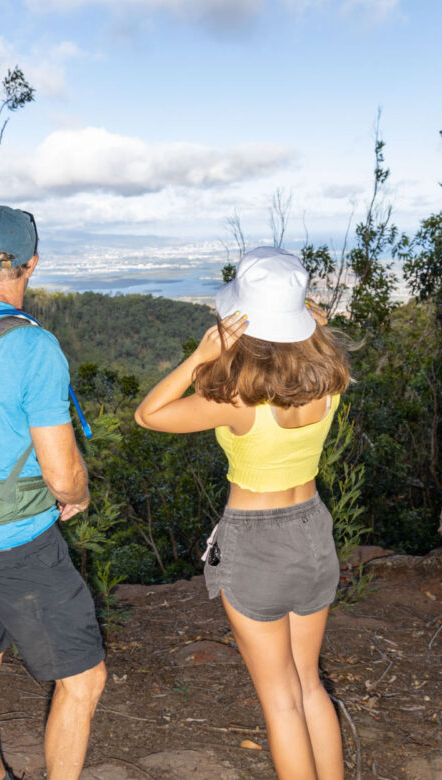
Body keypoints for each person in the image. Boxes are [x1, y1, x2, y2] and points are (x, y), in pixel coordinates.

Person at [134, 246, 349, 780]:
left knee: (280, 701)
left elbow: (148, 415)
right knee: (309, 685)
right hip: (313, 532)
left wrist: (201, 355)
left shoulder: (233, 401)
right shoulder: (331, 382)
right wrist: (307, 320)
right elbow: (314, 338)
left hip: (256, 547)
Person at [0, 205, 106, 780]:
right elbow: (62, 475)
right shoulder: (33, 346)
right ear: (31, 264)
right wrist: (78, 493)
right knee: (84, 680)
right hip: (18, 543)